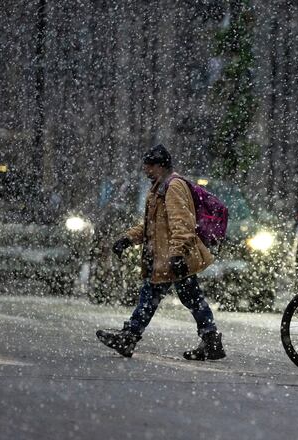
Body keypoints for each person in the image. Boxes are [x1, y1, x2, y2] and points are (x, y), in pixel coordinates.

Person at [96, 145, 226, 361]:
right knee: (186, 298)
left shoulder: (173, 187)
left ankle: (130, 336)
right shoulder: (158, 187)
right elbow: (152, 224)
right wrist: (128, 238)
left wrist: (176, 255)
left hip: (171, 257)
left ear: (160, 165)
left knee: (157, 297)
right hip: (166, 257)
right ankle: (210, 341)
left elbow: (182, 224)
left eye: (149, 166)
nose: (146, 170)